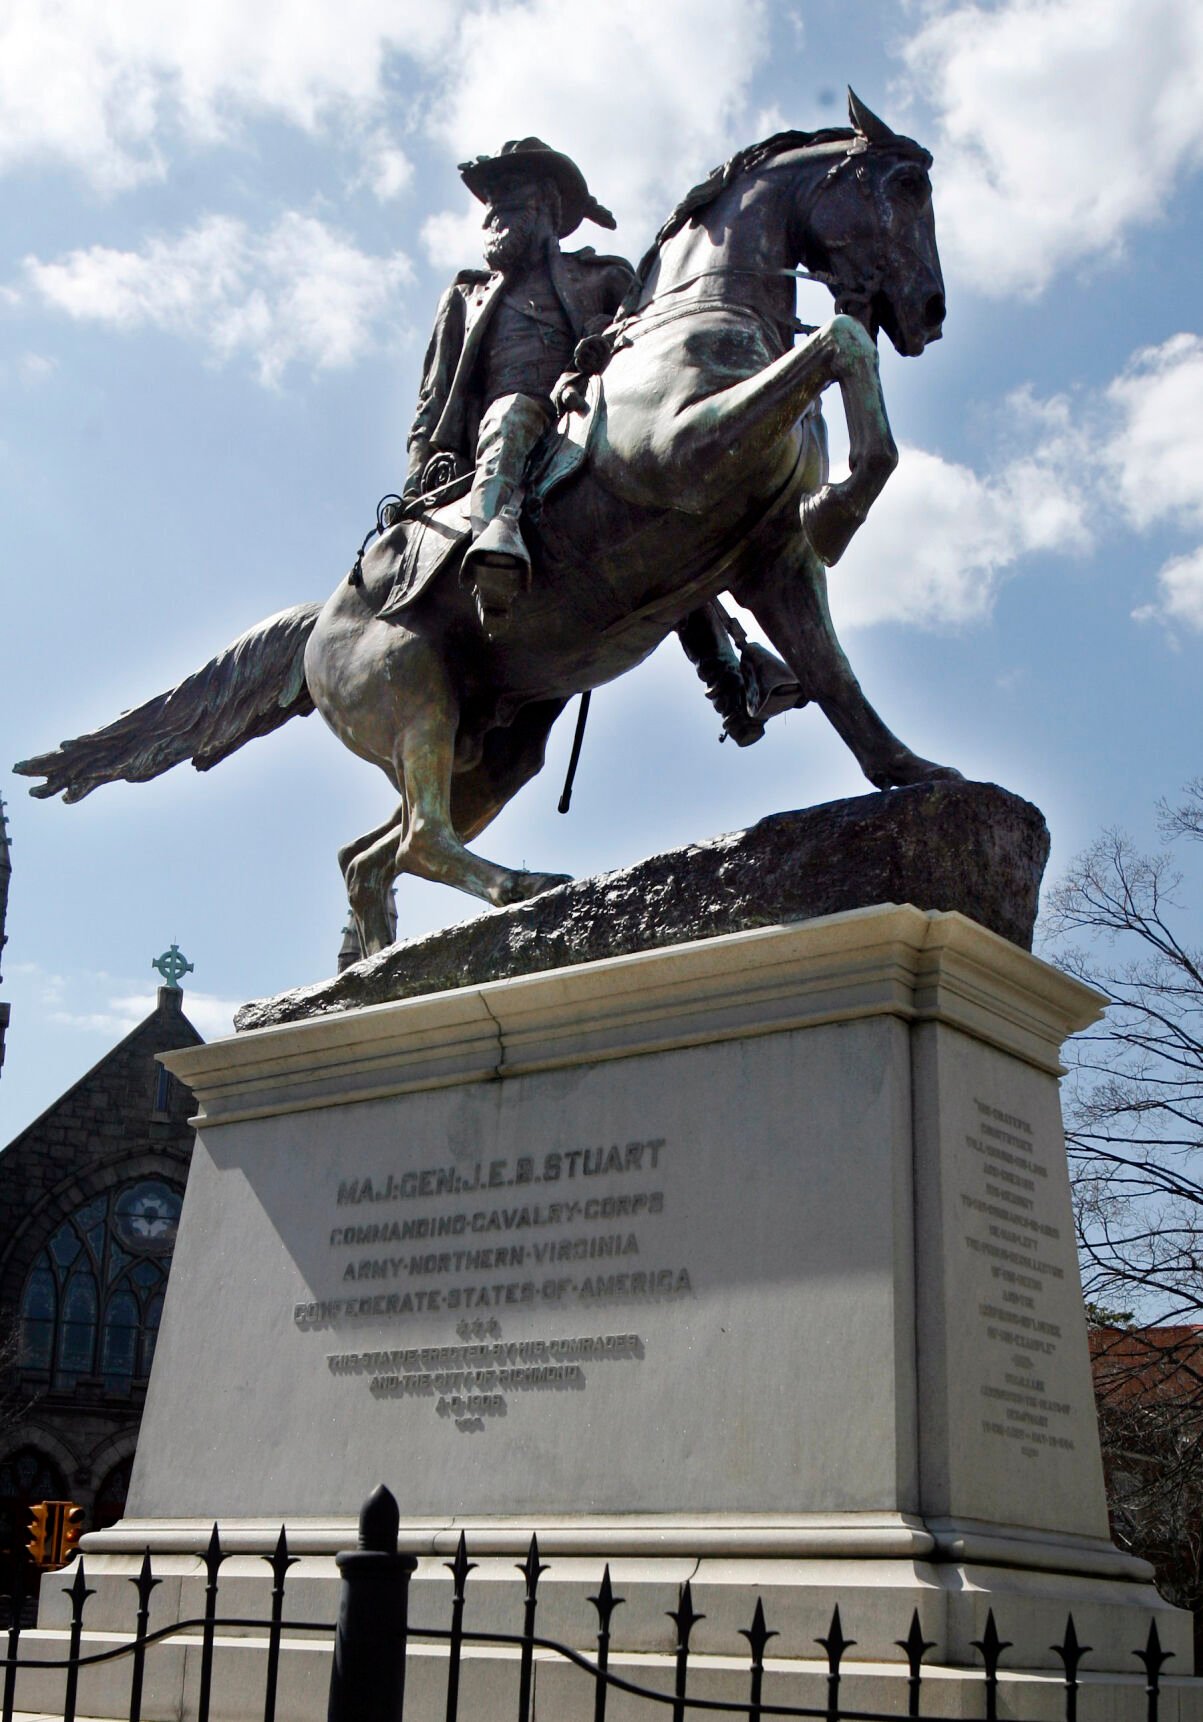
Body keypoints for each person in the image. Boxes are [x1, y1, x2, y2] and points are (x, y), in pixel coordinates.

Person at [403, 136, 793, 743]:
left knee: (662, 515)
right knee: (508, 415)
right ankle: (495, 544)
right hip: (499, 440)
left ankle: (733, 682)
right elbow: (434, 400)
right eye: (492, 204)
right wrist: (414, 480)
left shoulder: (601, 277)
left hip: (587, 419)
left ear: (548, 212)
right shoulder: (466, 295)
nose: (496, 214)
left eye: (513, 201)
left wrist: (601, 348)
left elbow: (649, 340)